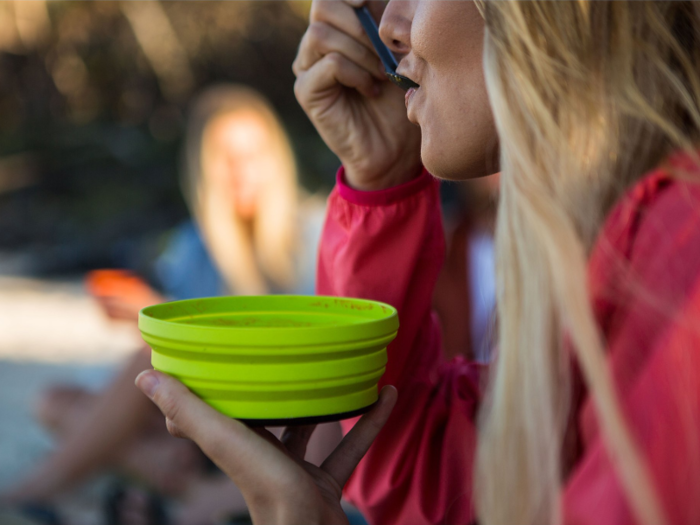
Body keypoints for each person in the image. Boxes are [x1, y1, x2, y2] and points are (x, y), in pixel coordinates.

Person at [136, 1, 700, 525]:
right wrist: (380, 177)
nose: (386, 27)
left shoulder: (682, 263)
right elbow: (457, 478)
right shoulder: (628, 247)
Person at [2, 85, 334, 524]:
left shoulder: (314, 233)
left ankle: (31, 493)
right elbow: (189, 372)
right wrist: (150, 316)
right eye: (226, 159)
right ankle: (198, 487)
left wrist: (154, 313)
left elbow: (305, 357)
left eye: (252, 154)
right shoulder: (193, 247)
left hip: (285, 411)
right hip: (206, 416)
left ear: (276, 158)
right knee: (56, 401)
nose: (241, 171)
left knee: (143, 365)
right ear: (204, 169)